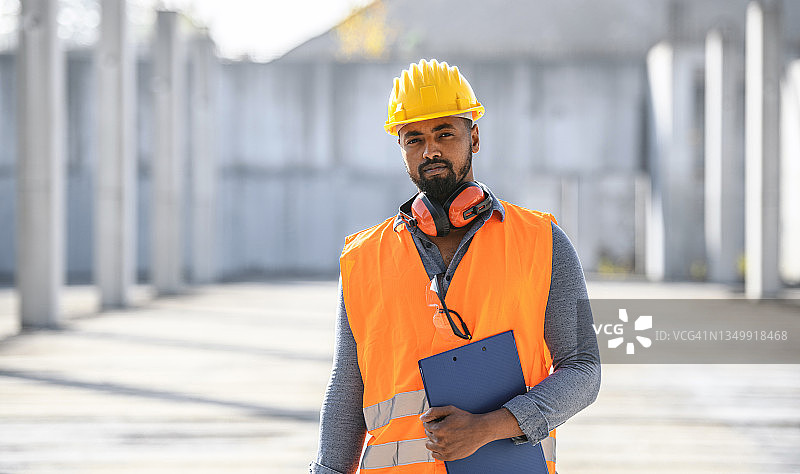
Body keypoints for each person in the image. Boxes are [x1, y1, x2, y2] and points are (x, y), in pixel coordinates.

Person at [310, 59, 600, 474]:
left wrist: (490, 427)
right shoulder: (363, 257)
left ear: (474, 136)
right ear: (402, 148)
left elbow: (584, 370)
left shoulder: (543, 242)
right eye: (414, 139)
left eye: (445, 133)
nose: (430, 150)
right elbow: (345, 389)